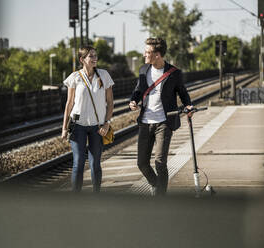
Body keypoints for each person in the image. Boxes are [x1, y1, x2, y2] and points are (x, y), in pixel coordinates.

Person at [129, 38, 193, 196]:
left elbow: (183, 92)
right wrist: (133, 100)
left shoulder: (174, 73)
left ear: (157, 55)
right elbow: (138, 89)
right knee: (142, 163)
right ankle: (157, 185)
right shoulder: (144, 70)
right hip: (145, 122)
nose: (144, 55)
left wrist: (188, 105)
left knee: (160, 163)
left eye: (147, 52)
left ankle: (160, 198)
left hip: (164, 122)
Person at [61, 46, 114, 193]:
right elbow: (69, 104)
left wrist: (107, 123)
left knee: (95, 164)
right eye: (91, 56)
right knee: (78, 163)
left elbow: (110, 102)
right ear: (82, 59)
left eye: (95, 55)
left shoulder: (104, 75)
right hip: (78, 126)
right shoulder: (75, 77)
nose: (95, 58)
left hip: (98, 127)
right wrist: (64, 127)